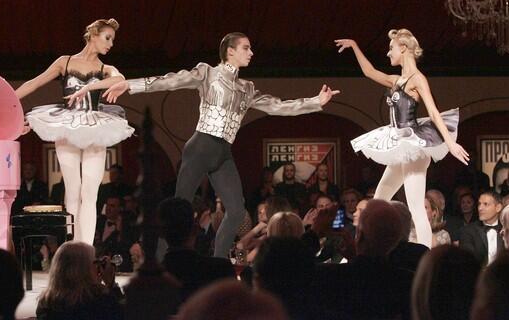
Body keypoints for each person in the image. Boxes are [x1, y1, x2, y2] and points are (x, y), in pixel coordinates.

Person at [102, 32, 338, 257]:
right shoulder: (208, 73)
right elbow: (171, 81)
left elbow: (279, 106)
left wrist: (316, 101)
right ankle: (164, 259)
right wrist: (130, 85)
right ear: (230, 51)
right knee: (180, 208)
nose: (251, 53)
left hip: (223, 152)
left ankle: (219, 261)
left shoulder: (247, 88)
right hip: (201, 146)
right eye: (246, 48)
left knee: (236, 211)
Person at [335, 30, 468, 248]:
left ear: (403, 48)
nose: (388, 54)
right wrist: (355, 46)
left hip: (412, 143)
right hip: (400, 143)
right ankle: (372, 247)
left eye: (391, 48)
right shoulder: (397, 80)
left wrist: (450, 143)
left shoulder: (417, 79)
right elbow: (369, 72)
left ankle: (424, 255)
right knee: (378, 200)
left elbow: (433, 111)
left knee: (416, 206)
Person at [16, 19, 134, 244]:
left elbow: (120, 79)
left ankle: (86, 251)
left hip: (94, 126)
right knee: (72, 191)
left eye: (113, 40)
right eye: (107, 38)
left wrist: (89, 87)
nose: (110, 44)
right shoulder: (65, 61)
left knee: (90, 193)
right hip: (67, 125)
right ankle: (71, 249)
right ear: (93, 35)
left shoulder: (104, 68)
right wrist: (9, 98)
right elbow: (35, 82)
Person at [36, 241, 122, 320]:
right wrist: (110, 284)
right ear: (82, 270)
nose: (98, 267)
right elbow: (124, 314)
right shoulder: (100, 301)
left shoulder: (46, 303)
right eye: (95, 262)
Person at [459, 191, 504, 265]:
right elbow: (467, 261)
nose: (480, 208)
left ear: (498, 207)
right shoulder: (468, 231)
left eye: (485, 204)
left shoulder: (507, 229)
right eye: (479, 204)